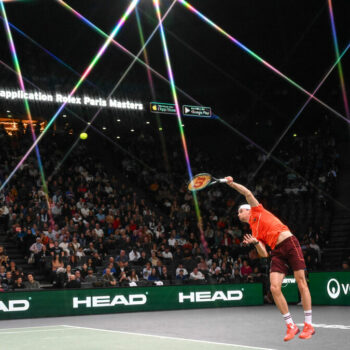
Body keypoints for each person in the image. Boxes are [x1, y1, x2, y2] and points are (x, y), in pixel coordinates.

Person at [225, 176, 314, 341]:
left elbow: (247, 193)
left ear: (248, 210)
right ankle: (291, 326)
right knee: (274, 288)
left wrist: (231, 184)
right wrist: (256, 242)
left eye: (240, 211)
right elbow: (264, 254)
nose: (238, 214)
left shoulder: (257, 210)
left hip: (289, 242)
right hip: (277, 251)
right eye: (238, 212)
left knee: (301, 282)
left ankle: (308, 324)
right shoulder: (254, 230)